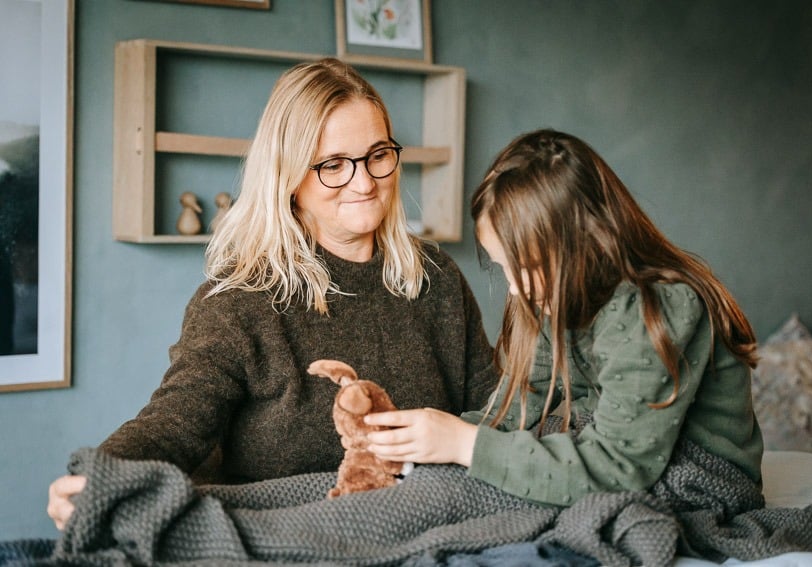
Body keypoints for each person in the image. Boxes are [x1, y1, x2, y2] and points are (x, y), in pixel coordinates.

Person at [47, 58, 497, 529]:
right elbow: (177, 421)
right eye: (333, 165)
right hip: (283, 539)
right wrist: (100, 476)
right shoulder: (240, 301)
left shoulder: (435, 277)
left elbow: (497, 412)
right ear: (289, 178)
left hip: (427, 529)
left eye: (378, 155)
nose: (364, 182)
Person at [366, 128, 763, 506]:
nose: (516, 289)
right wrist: (428, 439)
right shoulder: (552, 300)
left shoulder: (655, 307)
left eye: (530, 267)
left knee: (489, 493)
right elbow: (510, 414)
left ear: (590, 244)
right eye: (505, 267)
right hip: (614, 448)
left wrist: (464, 444)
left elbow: (619, 468)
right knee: (452, 477)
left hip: (701, 477)